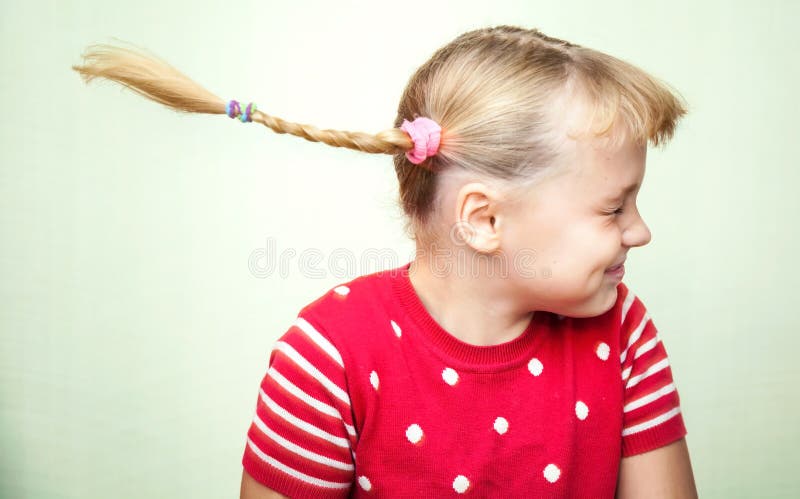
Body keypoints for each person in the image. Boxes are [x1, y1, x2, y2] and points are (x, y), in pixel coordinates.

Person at [73, 25, 698, 498]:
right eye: (614, 208)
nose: (639, 232)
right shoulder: (329, 358)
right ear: (484, 220)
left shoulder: (623, 334)